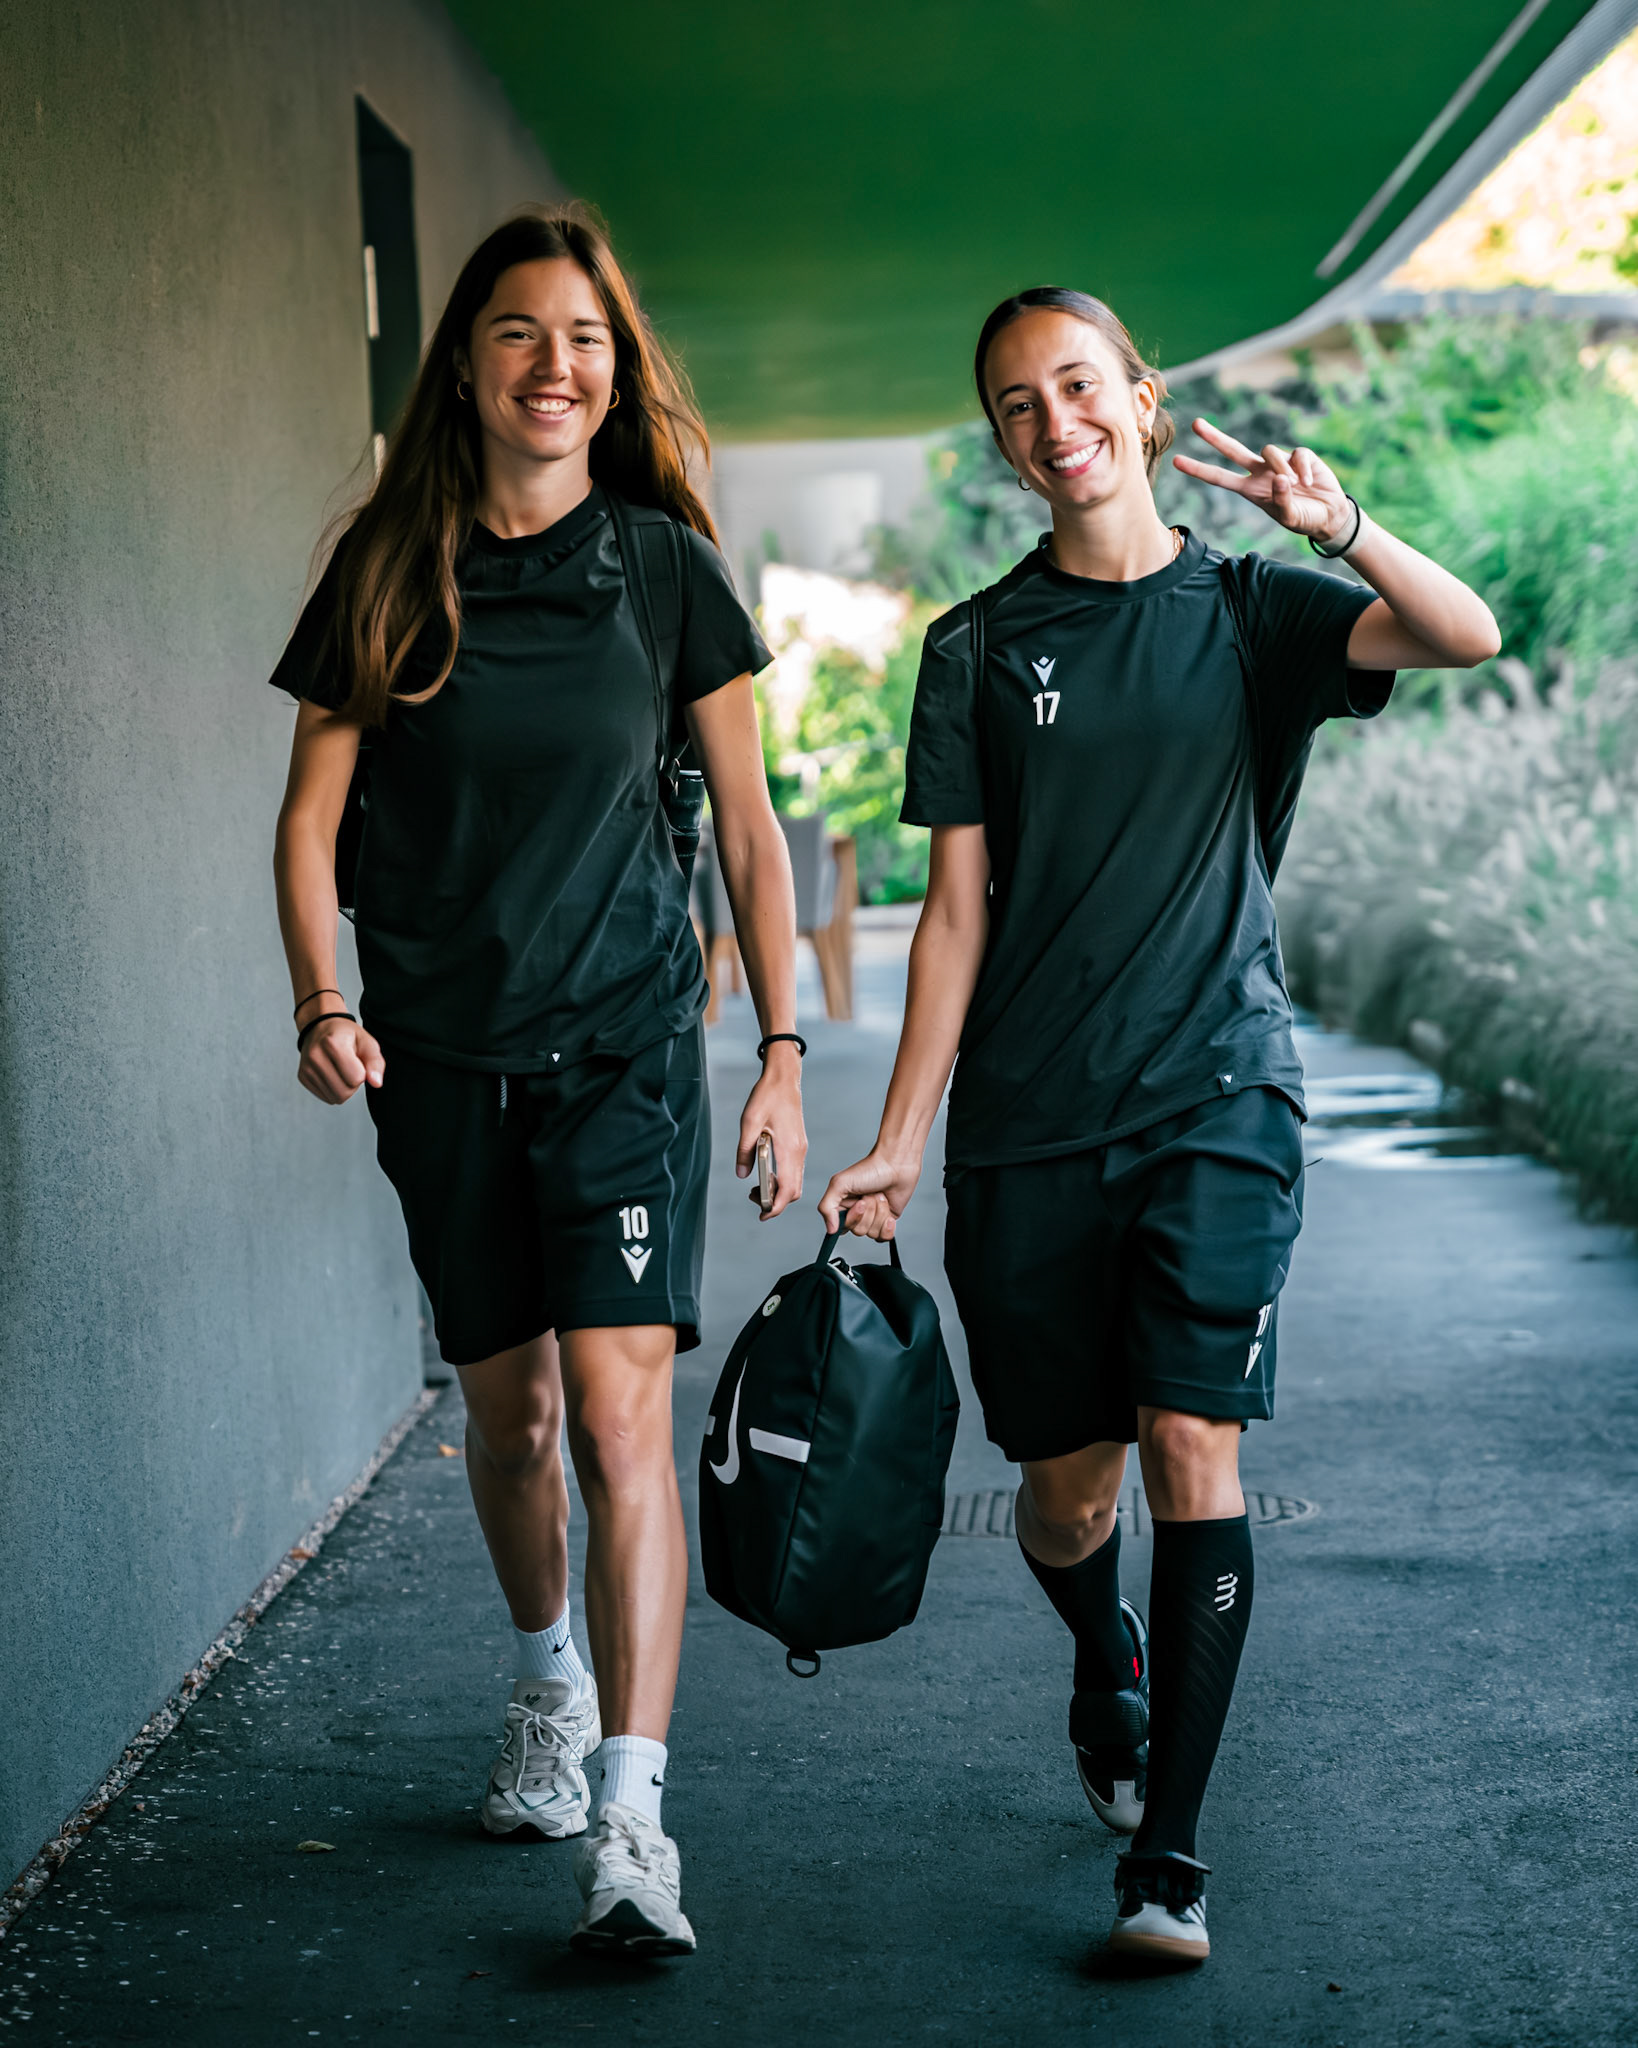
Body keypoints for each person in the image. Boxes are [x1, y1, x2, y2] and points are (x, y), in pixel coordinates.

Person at [820, 287, 1499, 1964]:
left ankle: (1171, 1858)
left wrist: (1337, 523)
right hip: (1031, 1126)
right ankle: (1100, 1652)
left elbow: (1462, 632)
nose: (1051, 423)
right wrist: (902, 1136)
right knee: (1064, 1495)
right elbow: (957, 915)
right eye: (1011, 405)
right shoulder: (975, 650)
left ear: (1139, 397)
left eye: (1075, 386)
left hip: (1218, 1095)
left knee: (1195, 1448)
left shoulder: (1256, 610)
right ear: (1000, 443)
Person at [271, 204, 806, 1960]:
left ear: (613, 367)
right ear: (469, 364)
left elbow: (747, 827)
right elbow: (309, 820)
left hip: (627, 1052)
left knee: (617, 1411)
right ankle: (545, 1689)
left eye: (581, 336)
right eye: (517, 332)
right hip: (439, 1056)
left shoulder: (662, 571)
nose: (553, 364)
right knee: (505, 1420)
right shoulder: (386, 568)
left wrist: (780, 1050)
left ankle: (636, 1821)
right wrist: (321, 999)